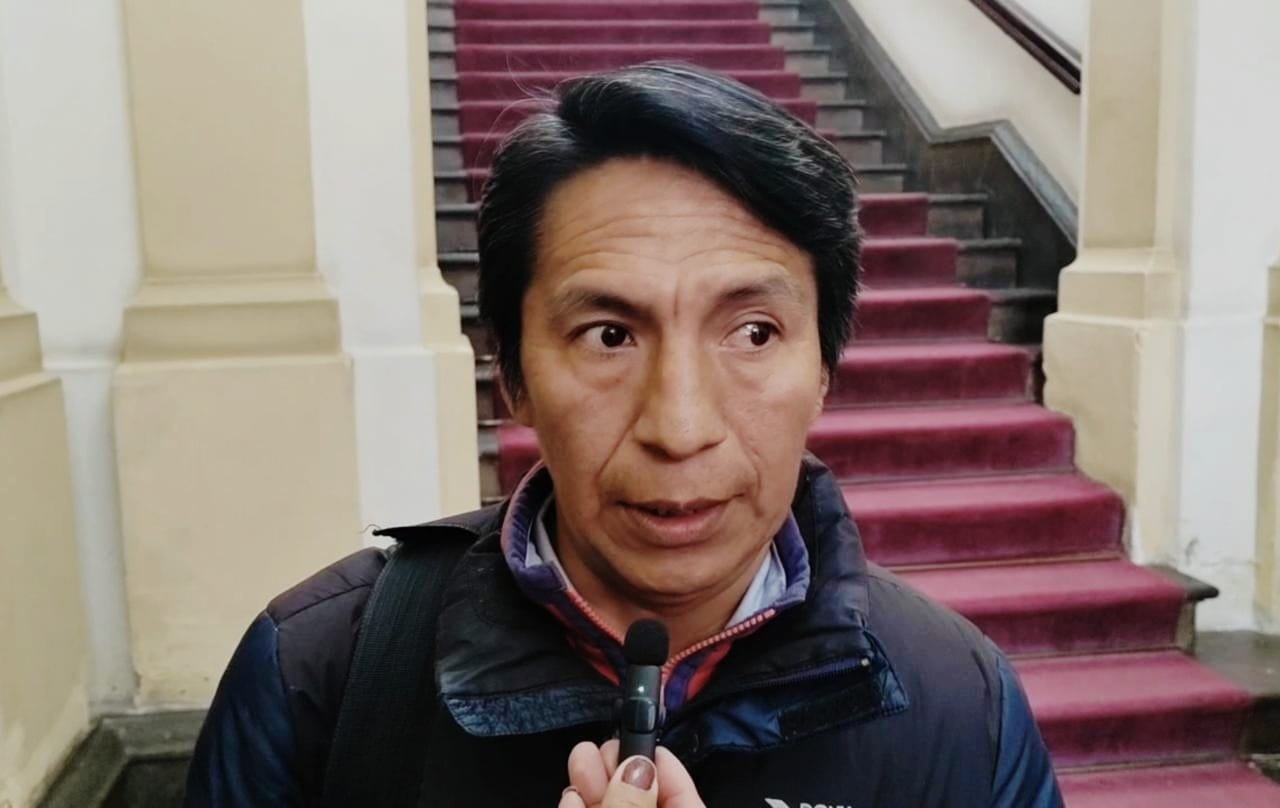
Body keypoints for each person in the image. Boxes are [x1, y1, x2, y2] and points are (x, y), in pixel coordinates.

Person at [185, 63, 1063, 807]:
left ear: (824, 372)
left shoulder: (964, 710)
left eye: (753, 332)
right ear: (512, 378)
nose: (679, 429)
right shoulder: (318, 676)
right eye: (609, 335)